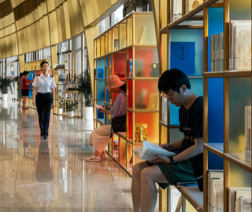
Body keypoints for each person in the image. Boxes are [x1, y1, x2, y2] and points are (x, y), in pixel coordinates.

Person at [131, 69, 203, 212]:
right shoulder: (183, 108)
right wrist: (169, 146)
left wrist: (171, 160)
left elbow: (199, 147)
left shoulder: (199, 107)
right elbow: (187, 140)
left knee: (147, 174)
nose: (170, 101)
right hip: (185, 160)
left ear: (183, 88)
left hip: (197, 165)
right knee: (138, 168)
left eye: (171, 96)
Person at [86, 74, 127, 162]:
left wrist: (106, 112)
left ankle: (97, 155)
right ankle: (102, 154)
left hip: (116, 124)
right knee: (102, 135)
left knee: (96, 132)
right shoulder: (123, 94)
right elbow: (118, 110)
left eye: (110, 87)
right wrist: (108, 109)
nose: (110, 89)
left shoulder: (120, 96)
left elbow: (116, 113)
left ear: (115, 86)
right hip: (120, 124)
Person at [31, 61, 56, 138]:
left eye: (47, 66)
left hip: (48, 97)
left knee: (47, 115)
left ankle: (46, 133)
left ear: (48, 67)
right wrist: (33, 99)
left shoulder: (51, 78)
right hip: (40, 96)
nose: (45, 68)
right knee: (41, 115)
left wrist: (53, 101)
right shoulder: (38, 77)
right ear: (41, 67)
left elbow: (53, 90)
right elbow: (34, 88)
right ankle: (42, 131)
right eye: (44, 66)